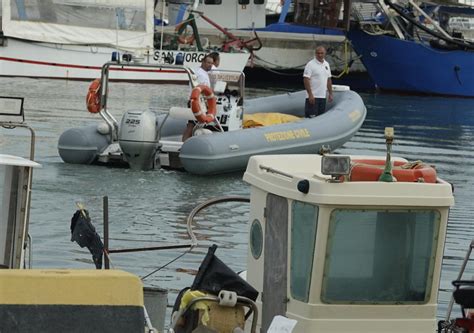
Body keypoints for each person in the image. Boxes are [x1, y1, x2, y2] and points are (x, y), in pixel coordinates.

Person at [182, 54, 214, 141]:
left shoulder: (200, 72)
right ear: (203, 62)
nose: (210, 65)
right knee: (191, 125)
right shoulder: (201, 75)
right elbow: (201, 91)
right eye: (208, 62)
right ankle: (184, 144)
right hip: (197, 102)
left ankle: (187, 143)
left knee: (193, 124)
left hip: (197, 102)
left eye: (211, 63)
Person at [303, 46, 333, 118]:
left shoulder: (326, 64)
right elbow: (306, 79)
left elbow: (328, 80)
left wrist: (330, 94)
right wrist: (310, 94)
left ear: (325, 53)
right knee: (311, 117)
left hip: (322, 97)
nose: (320, 55)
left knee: (320, 118)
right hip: (313, 97)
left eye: (322, 53)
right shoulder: (310, 64)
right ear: (315, 54)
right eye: (318, 53)